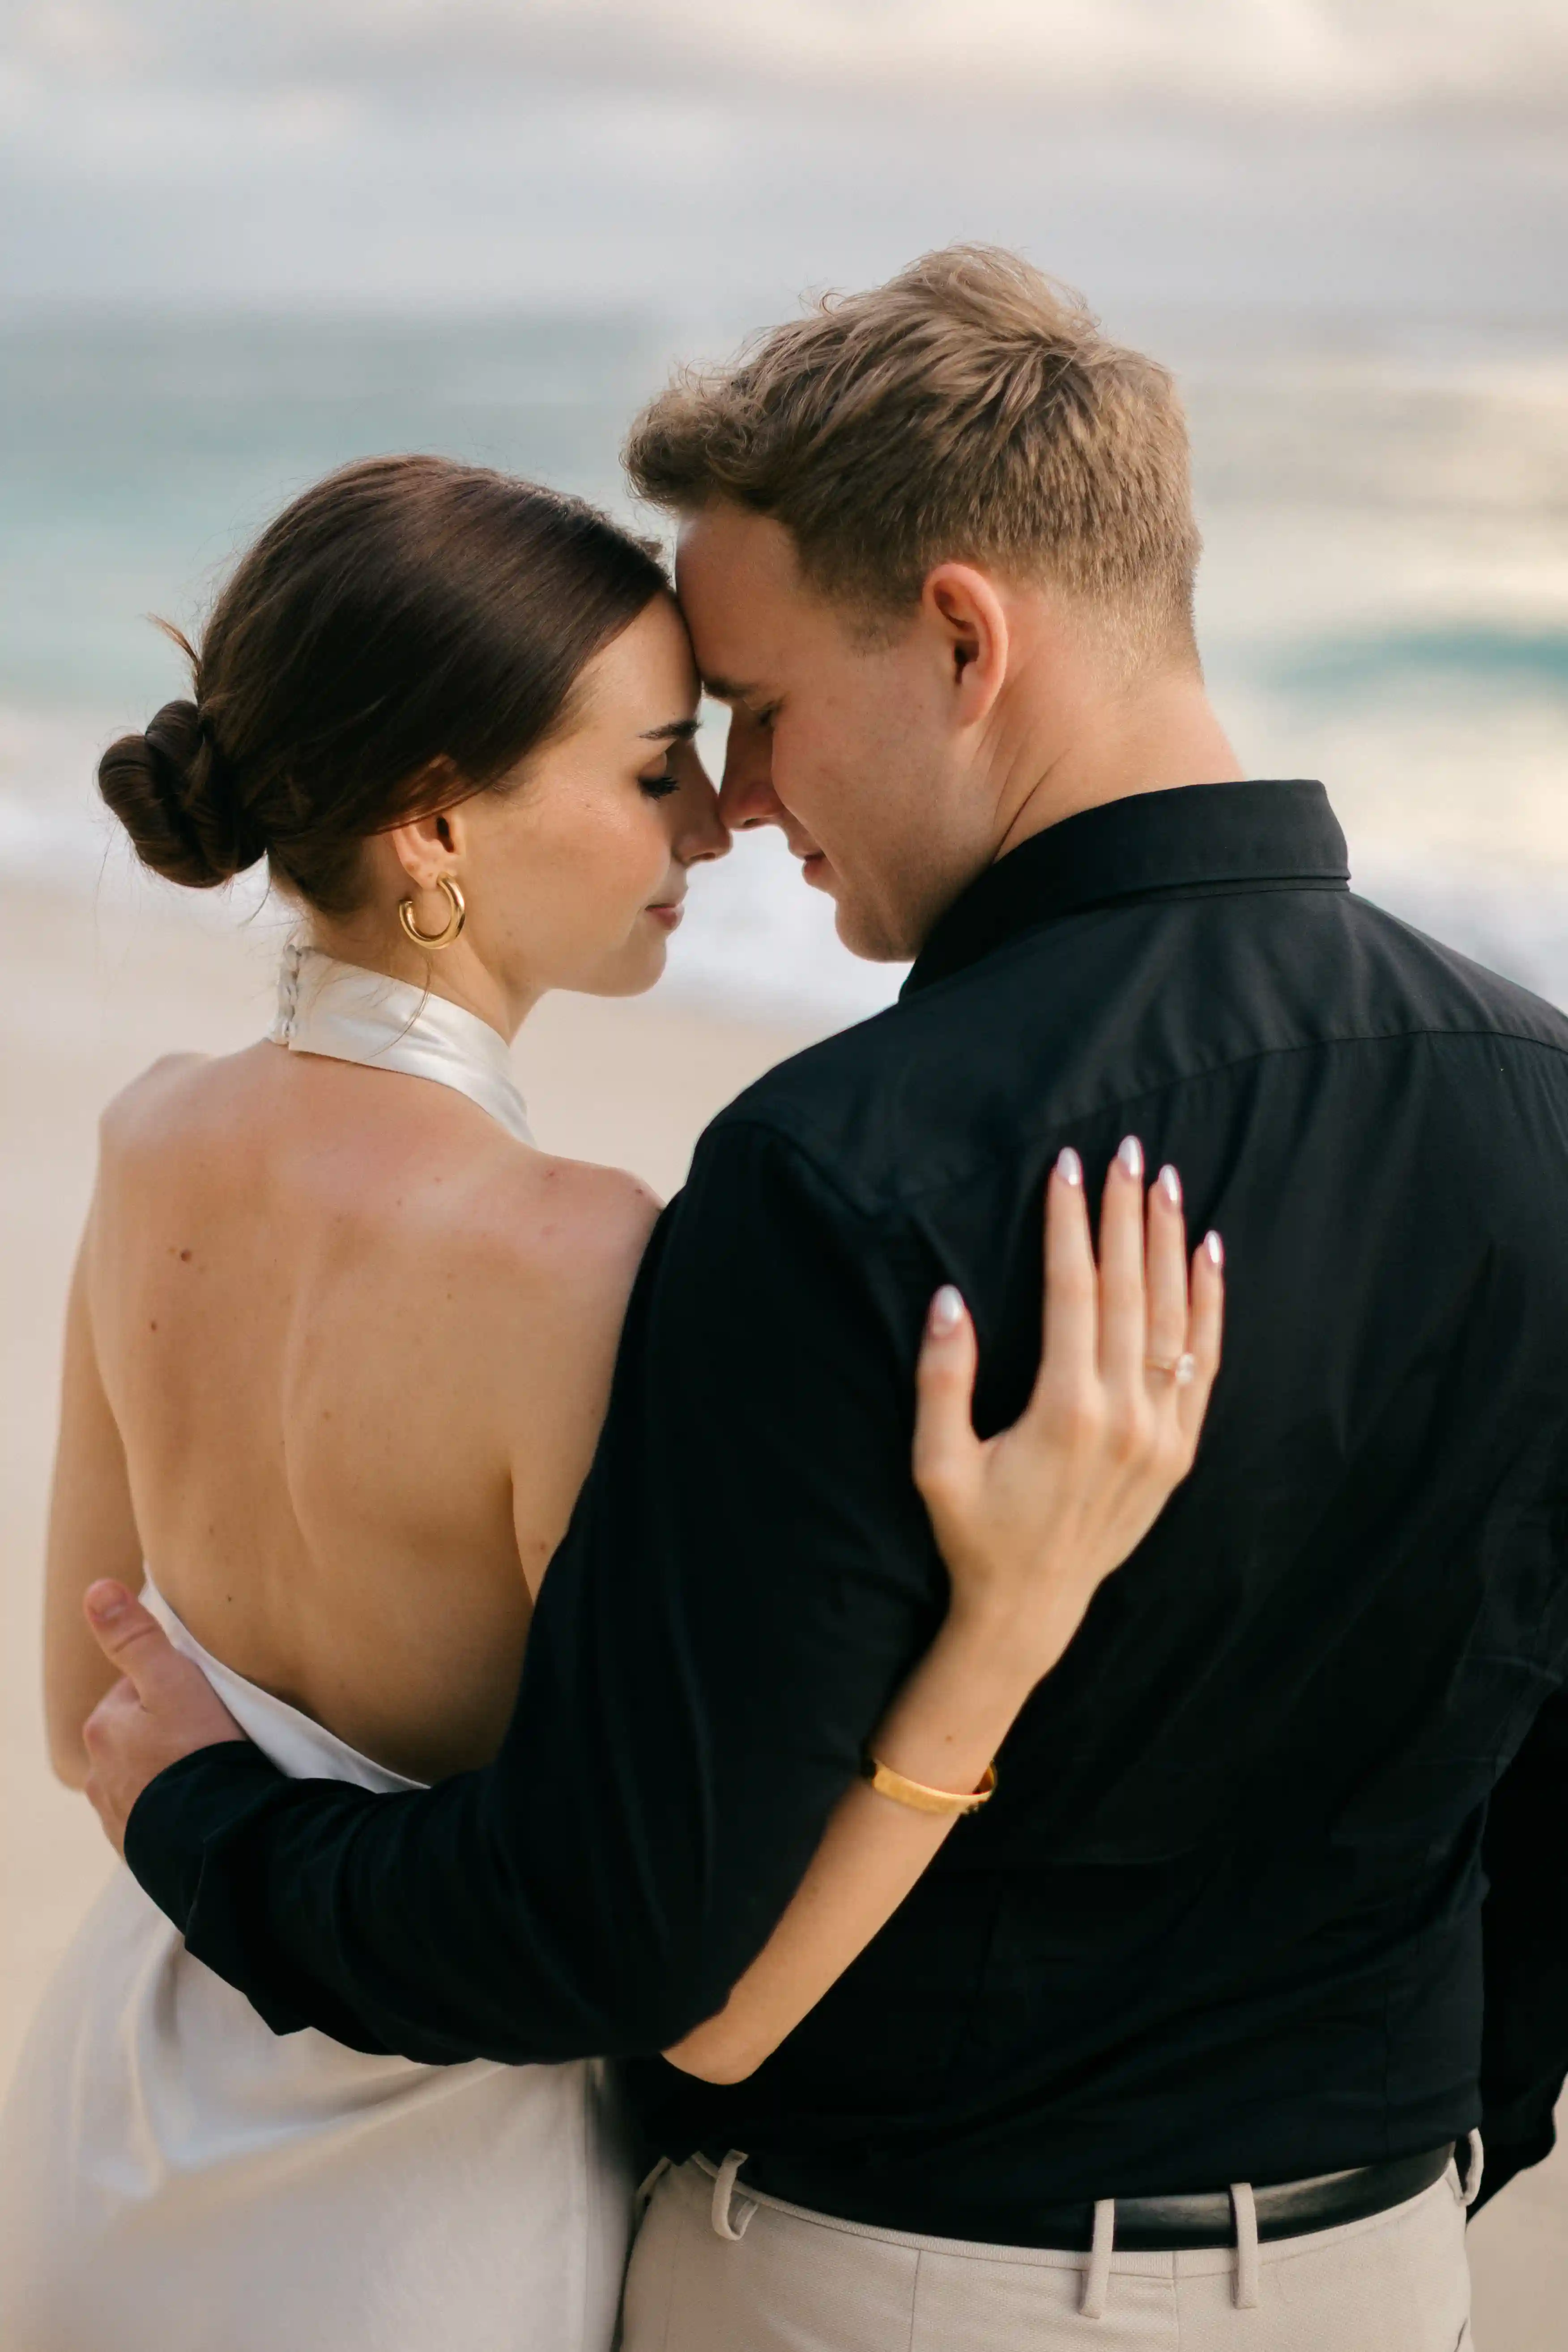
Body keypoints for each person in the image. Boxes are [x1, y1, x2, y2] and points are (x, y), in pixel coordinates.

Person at [78, 247, 1568, 2350]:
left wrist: (208, 1822)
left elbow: (621, 1930)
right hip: (1380, 2269)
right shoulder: (1541, 1097)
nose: (743, 799)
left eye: (759, 714)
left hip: (887, 2281)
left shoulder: (836, 1172)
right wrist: (1427, 2157)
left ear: (963, 638)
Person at [0, 449, 1220, 2352]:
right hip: (424, 2213)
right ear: (434, 830)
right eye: (655, 767)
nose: (717, 822)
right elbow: (704, 1981)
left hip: (124, 2117)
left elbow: (92, 1711)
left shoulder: (150, 1129)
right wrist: (1015, 1617)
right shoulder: (583, 1255)